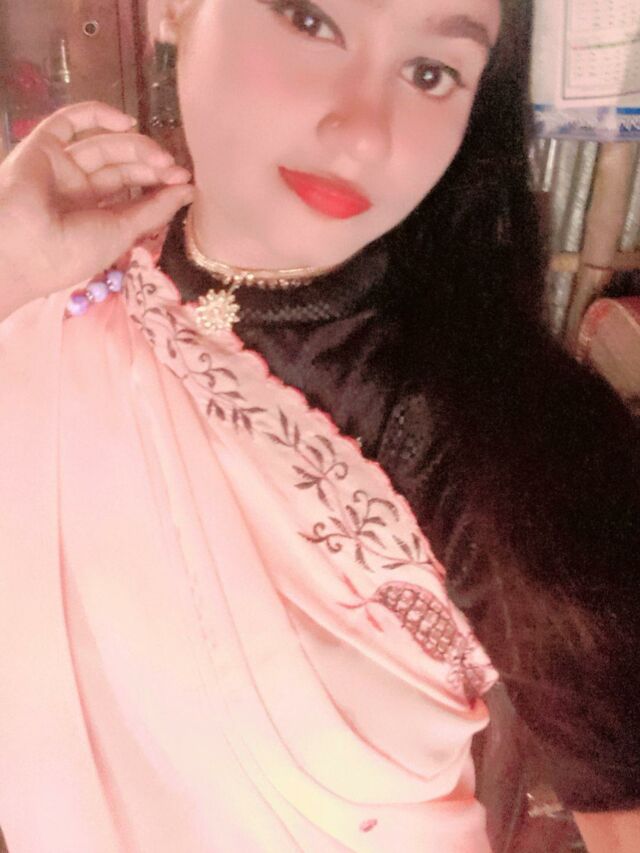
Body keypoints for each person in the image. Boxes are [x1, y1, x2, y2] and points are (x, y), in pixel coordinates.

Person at [0, 0, 638, 851]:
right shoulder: (57, 285)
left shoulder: (502, 440)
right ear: (174, 10)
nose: (365, 132)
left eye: (430, 72)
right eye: (309, 20)